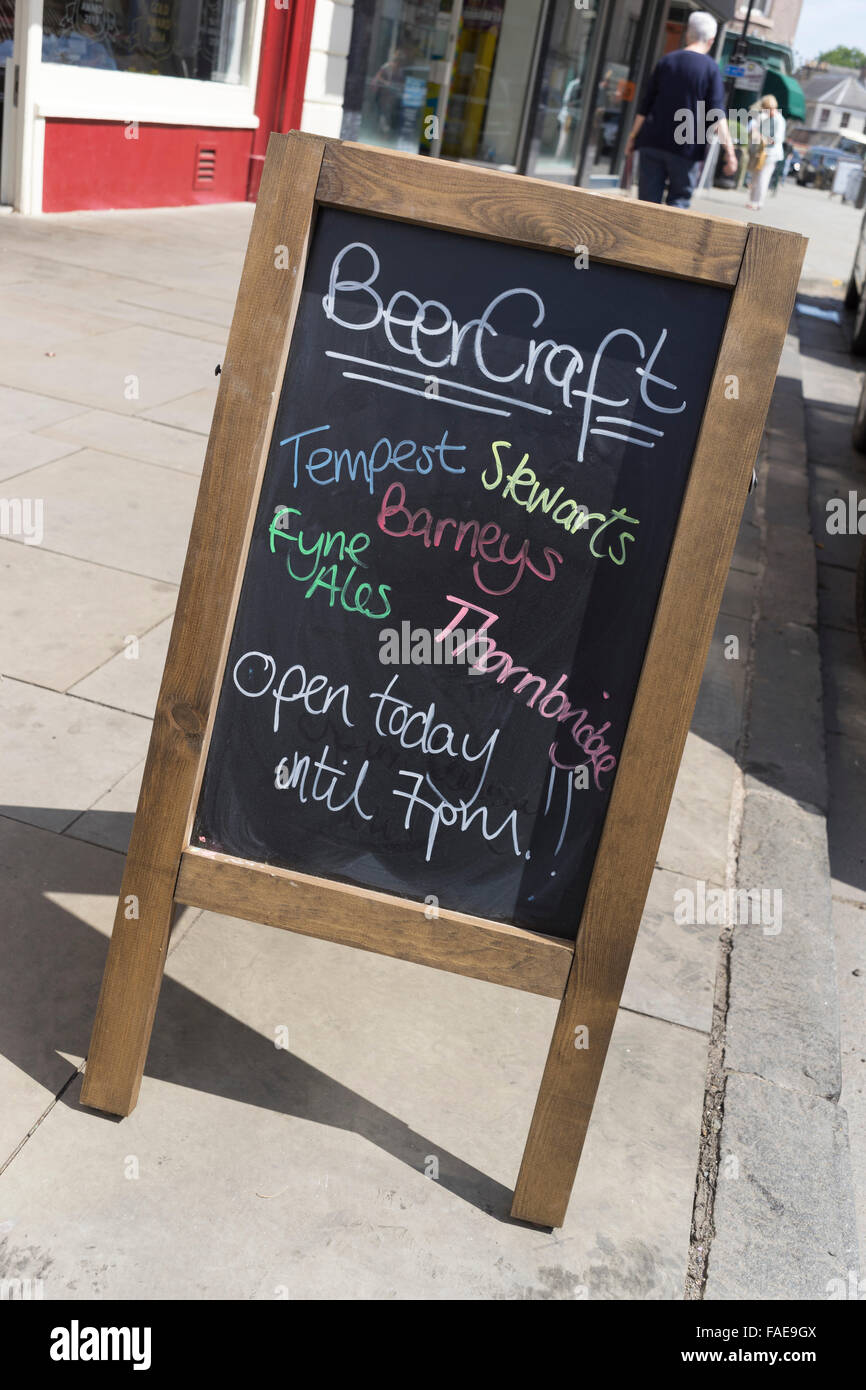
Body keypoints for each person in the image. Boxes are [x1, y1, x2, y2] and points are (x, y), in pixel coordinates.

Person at [625, 11, 737, 209]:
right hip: (687, 147)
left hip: (653, 141)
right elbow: (717, 115)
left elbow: (645, 105)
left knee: (647, 205)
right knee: (678, 204)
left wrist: (632, 136)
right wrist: (730, 152)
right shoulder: (710, 69)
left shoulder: (666, 61)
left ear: (688, 34)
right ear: (711, 40)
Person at [746, 95, 786, 210]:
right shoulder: (764, 117)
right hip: (760, 152)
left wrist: (763, 138)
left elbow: (777, 139)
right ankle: (752, 200)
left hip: (770, 154)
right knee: (755, 177)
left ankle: (758, 202)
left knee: (763, 178)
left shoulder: (779, 120)